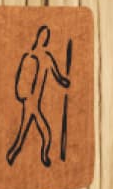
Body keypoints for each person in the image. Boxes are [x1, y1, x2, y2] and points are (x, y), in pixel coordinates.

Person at [5, 23, 72, 168]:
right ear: (38, 38)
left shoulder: (47, 58)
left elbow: (58, 76)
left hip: (35, 102)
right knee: (43, 131)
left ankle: (14, 155)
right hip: (29, 101)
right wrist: (22, 95)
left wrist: (65, 82)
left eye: (45, 37)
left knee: (27, 132)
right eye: (42, 36)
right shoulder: (29, 57)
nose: (43, 39)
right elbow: (21, 80)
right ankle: (43, 156)